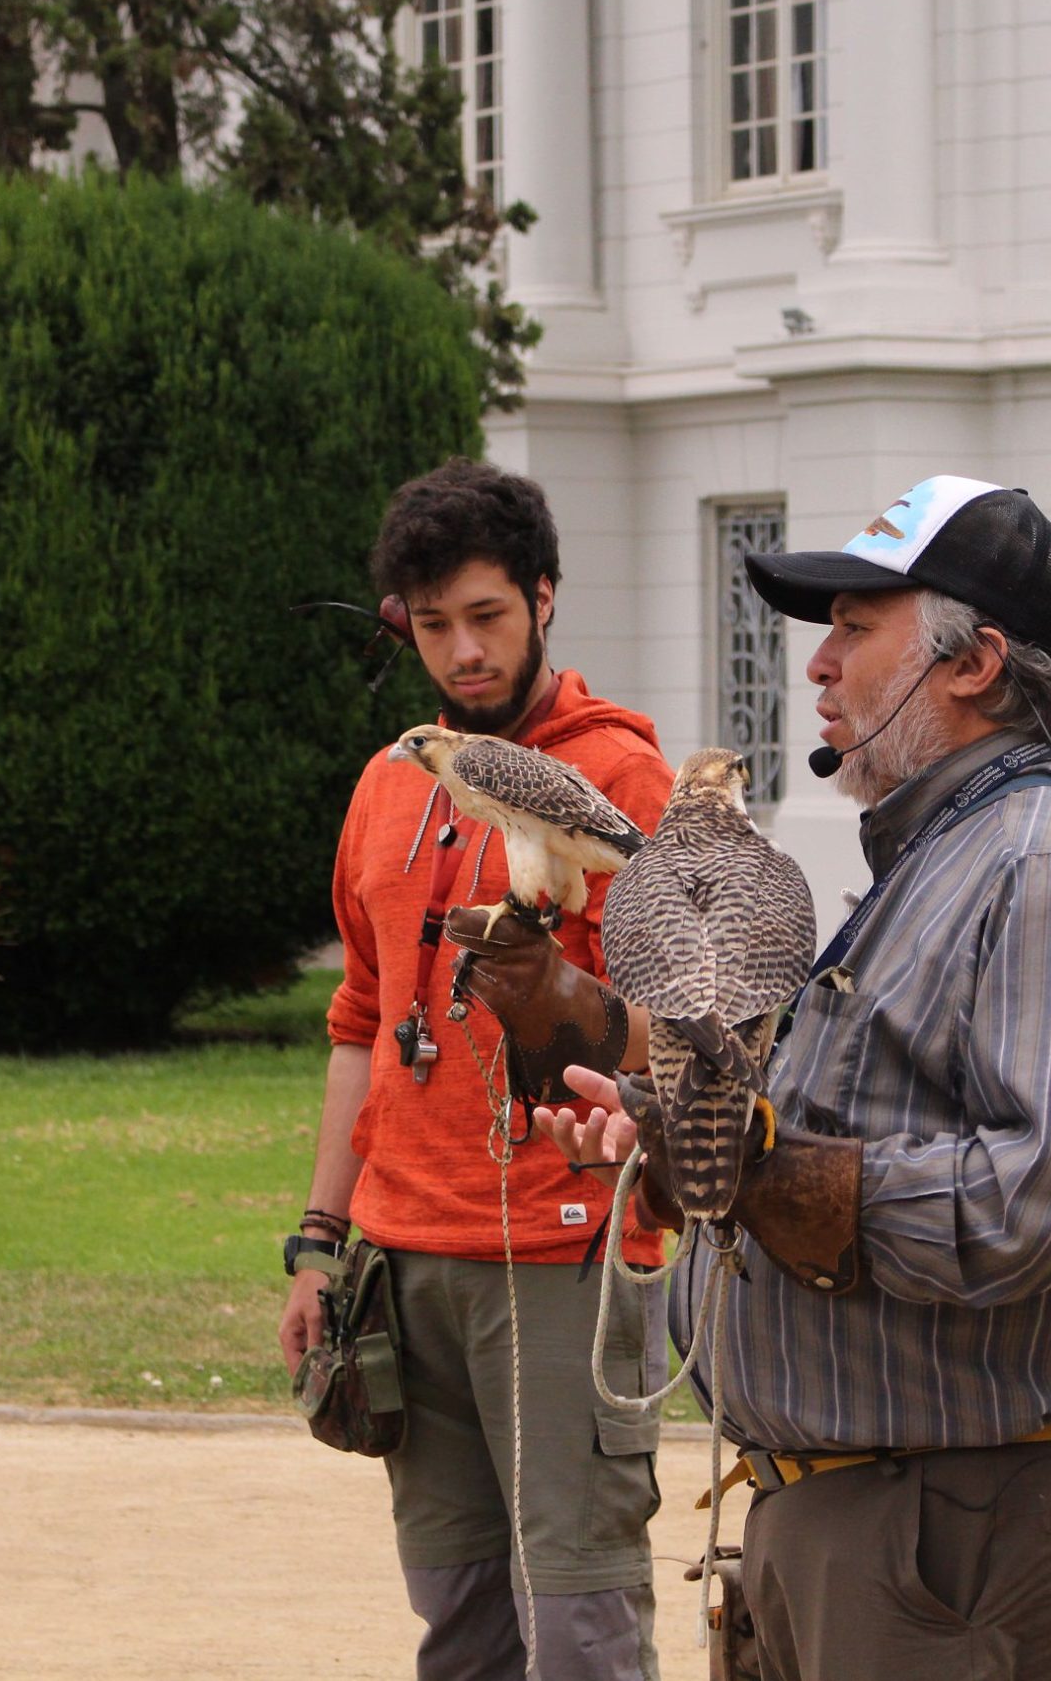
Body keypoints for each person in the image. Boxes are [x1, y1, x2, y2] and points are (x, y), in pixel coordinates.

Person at [533, 475, 1051, 1681]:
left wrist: (783, 1176)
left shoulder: (1049, 868)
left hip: (953, 1535)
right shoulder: (932, 860)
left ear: (974, 662)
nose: (817, 666)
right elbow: (849, 1137)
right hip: (860, 1523)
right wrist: (679, 1151)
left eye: (854, 627)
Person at [278, 458, 676, 1681]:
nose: (461, 652)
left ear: (544, 597)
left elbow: (679, 1034)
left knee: (579, 1628)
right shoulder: (391, 779)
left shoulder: (619, 779)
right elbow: (361, 1019)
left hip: (563, 1254)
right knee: (456, 1623)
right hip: (403, 1259)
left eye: (486, 617)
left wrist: (555, 993)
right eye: (434, 625)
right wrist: (316, 1240)